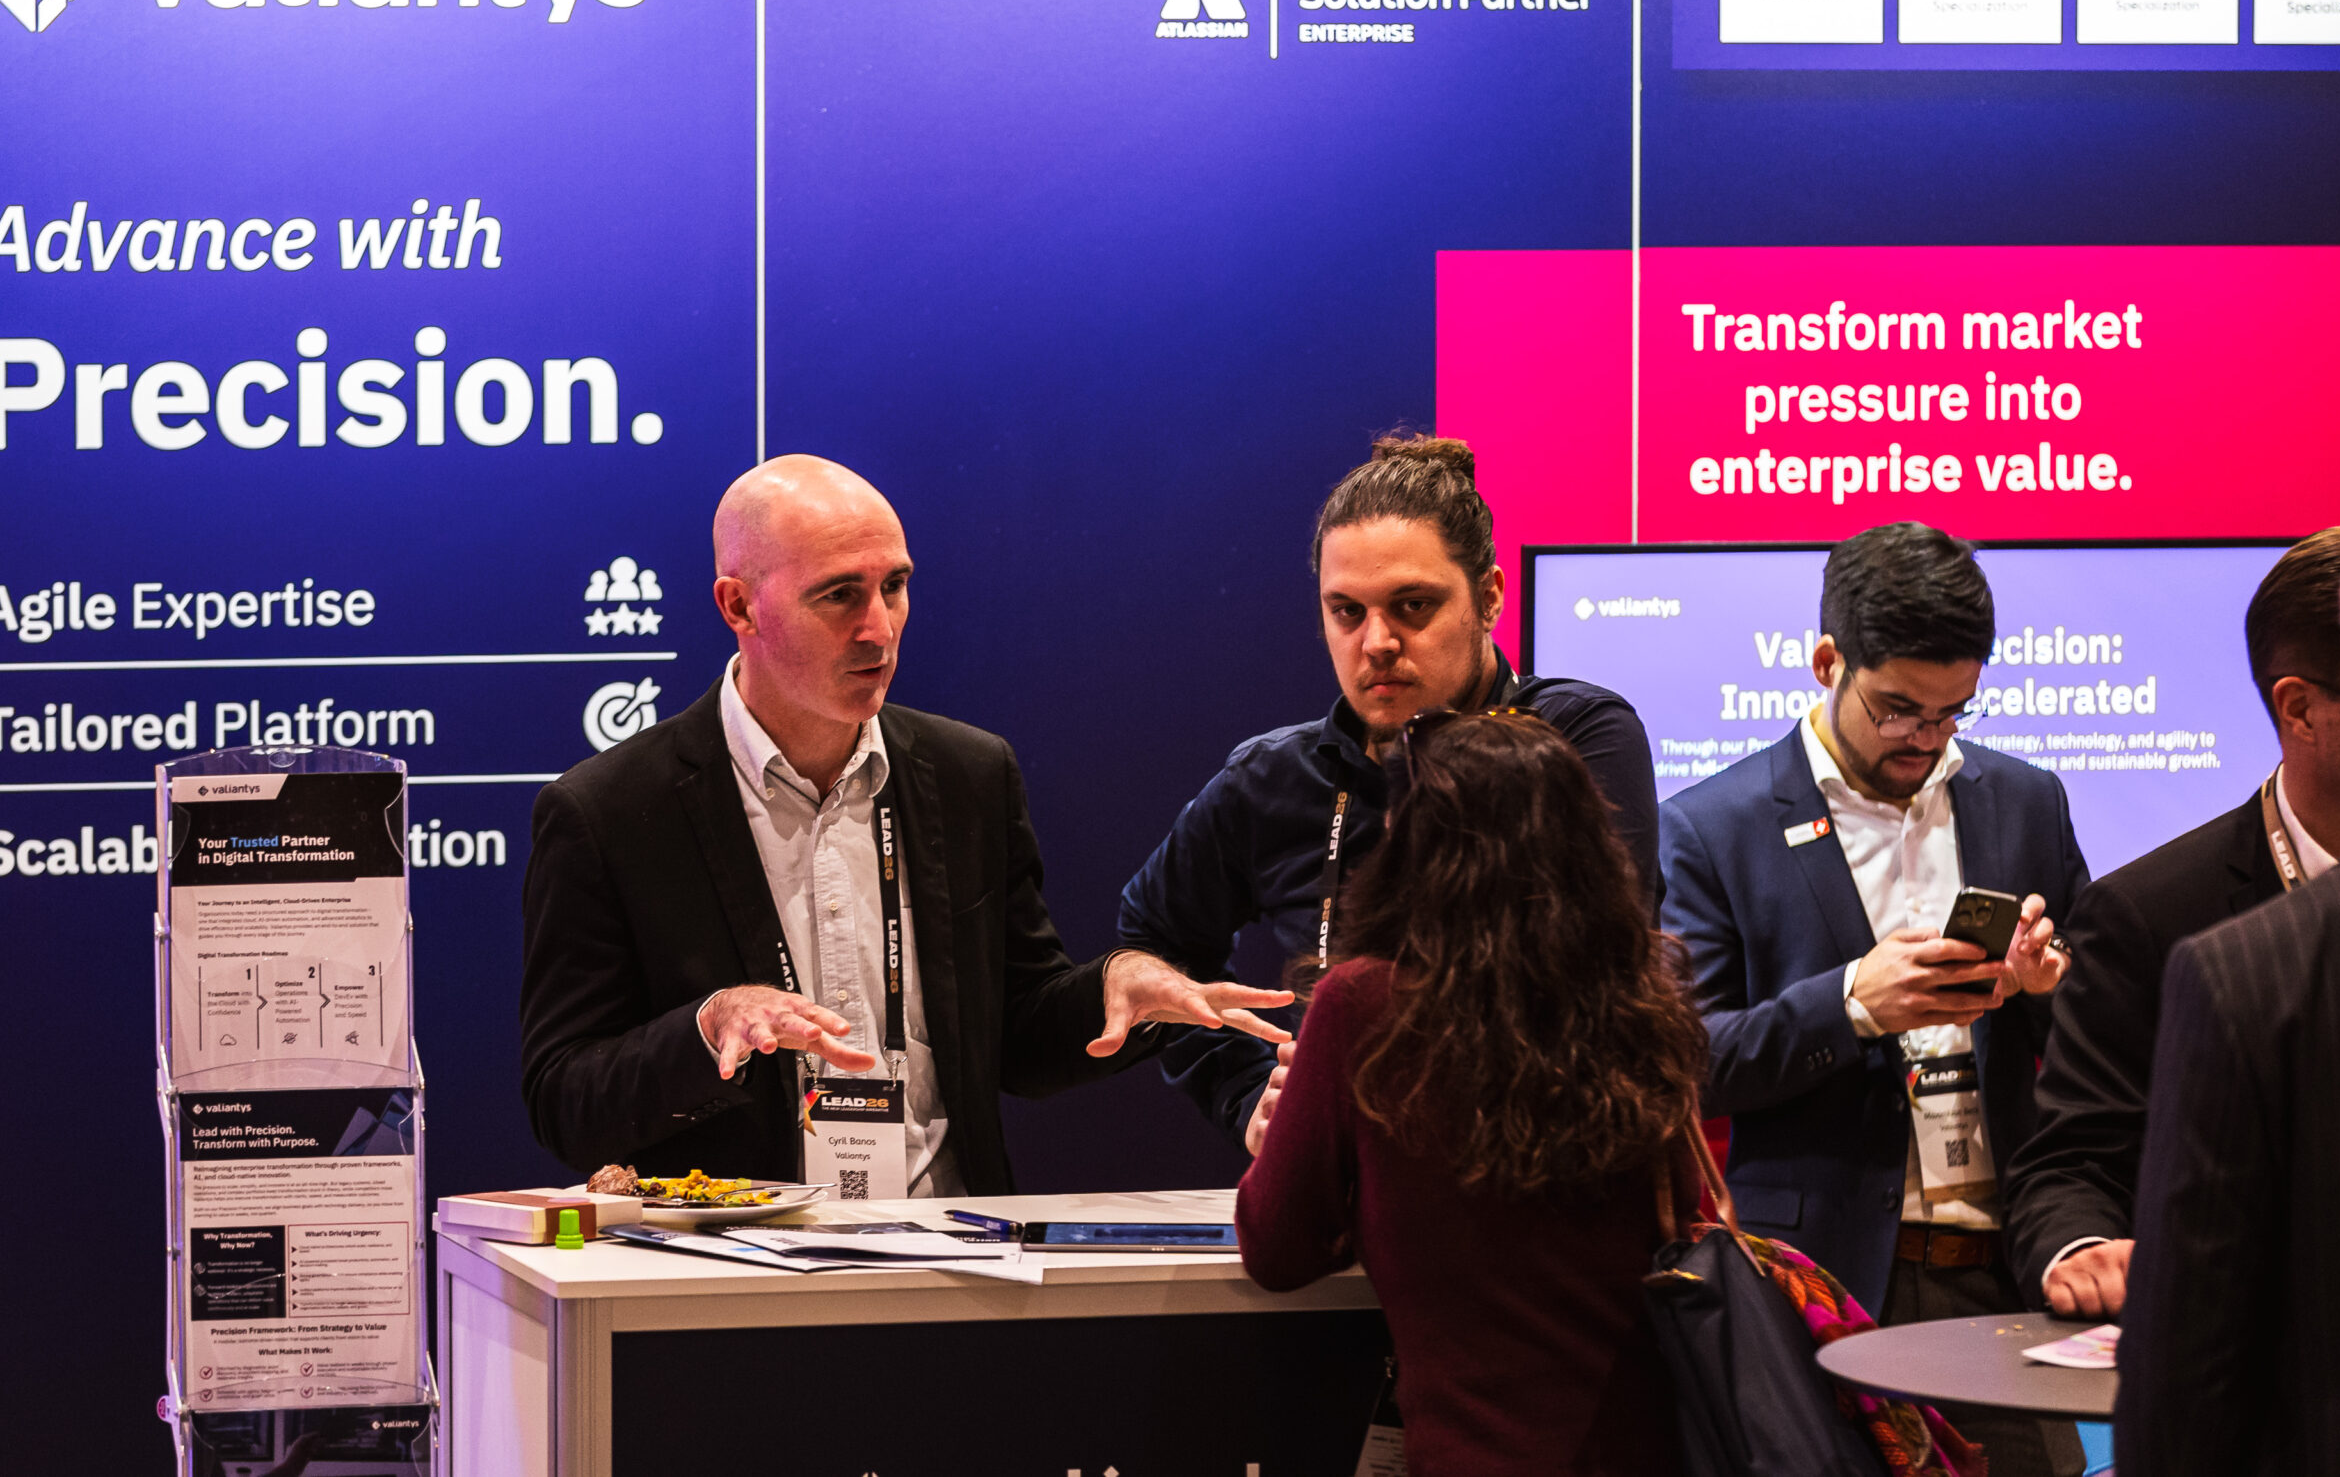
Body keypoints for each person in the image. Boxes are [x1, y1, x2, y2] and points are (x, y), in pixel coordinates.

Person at [519, 455, 1290, 1195]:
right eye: (839, 595)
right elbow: (563, 1098)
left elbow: (1019, 1039)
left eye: (894, 586)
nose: (879, 629)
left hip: (945, 1248)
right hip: (732, 1266)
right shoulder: (610, 811)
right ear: (738, 606)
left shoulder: (969, 774)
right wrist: (708, 1025)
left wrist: (1115, 988)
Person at [1659, 521, 2083, 1477]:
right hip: (1826, 1285)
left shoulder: (2026, 800)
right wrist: (1853, 1001)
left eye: (1951, 713)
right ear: (1827, 662)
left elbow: (2100, 1035)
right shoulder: (1710, 827)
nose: (1925, 739)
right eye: (1898, 711)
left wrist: (2048, 985)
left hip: (2003, 1282)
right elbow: (1691, 1061)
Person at [1117, 434, 1660, 1155]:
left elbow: (1596, 972)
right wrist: (1246, 1097)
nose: (1377, 641)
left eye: (1413, 605)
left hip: (1542, 1168)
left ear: (1489, 597)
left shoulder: (1574, 735)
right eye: (1347, 611)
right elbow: (1153, 942)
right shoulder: (1274, 777)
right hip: (1344, 1180)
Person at [1238, 710, 1702, 1477]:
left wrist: (1322, 1163)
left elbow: (1276, 1248)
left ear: (1412, 842)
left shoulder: (1364, 1005)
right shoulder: (1640, 1006)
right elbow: (1681, 1220)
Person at [2007, 525, 2340, 1317]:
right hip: (2272, 1361)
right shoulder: (2153, 916)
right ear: (2302, 709)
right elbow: (2072, 1163)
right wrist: (2084, 1251)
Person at [2113, 541, 2340, 1476]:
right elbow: (2083, 1148)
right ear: (2300, 707)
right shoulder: (2158, 919)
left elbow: (2182, 1384)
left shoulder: (2240, 972)